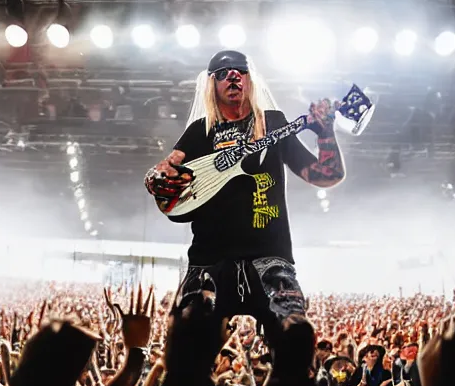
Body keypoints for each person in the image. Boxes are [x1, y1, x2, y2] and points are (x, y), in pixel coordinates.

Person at [144, 49, 346, 348]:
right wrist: (158, 179)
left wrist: (325, 132)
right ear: (211, 84)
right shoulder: (199, 132)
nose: (233, 76)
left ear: (250, 80)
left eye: (240, 70)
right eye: (223, 73)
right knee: (186, 350)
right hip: (209, 260)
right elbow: (170, 185)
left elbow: (325, 174)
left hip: (271, 256)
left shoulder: (274, 123)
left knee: (295, 341)